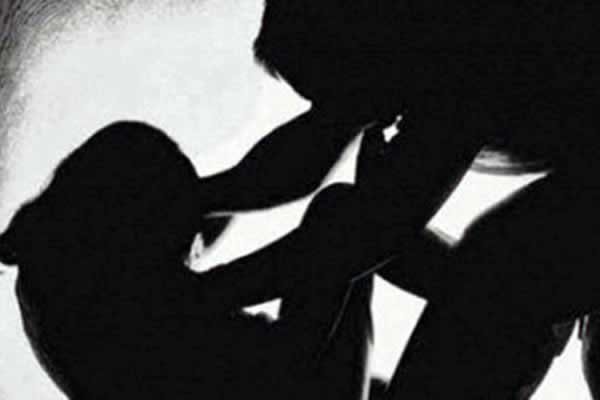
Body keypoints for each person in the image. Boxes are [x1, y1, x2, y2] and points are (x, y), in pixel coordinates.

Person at [191, 1, 600, 398]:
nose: (343, 114)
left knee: (507, 260)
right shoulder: (385, 61)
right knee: (347, 224)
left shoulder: (461, 53)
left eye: (336, 97)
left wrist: (203, 293)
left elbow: (374, 232)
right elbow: (316, 151)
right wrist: (199, 199)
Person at [0, 121, 375, 400]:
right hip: (291, 381)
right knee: (341, 216)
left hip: (263, 374)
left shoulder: (57, 256)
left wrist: (353, 116)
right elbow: (288, 265)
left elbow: (240, 189)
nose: (192, 235)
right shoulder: (140, 301)